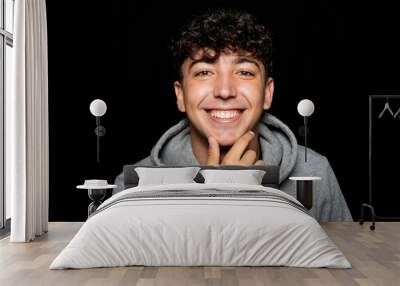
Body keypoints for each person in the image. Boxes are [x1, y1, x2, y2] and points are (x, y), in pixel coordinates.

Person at [113, 8, 352, 222]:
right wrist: (219, 197)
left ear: (267, 93)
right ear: (181, 96)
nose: (225, 91)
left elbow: (340, 264)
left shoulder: (313, 173)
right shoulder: (131, 187)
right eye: (204, 72)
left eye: (245, 72)